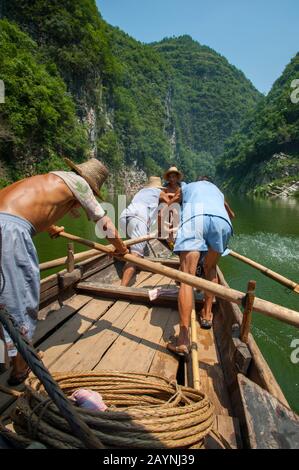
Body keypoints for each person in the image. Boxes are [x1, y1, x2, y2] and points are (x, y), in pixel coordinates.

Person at [0, 158, 128, 385]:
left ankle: (3, 356)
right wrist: (120, 248)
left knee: (3, 300)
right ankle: (20, 367)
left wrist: (50, 227)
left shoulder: (48, 178)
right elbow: (104, 223)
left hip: (6, 221)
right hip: (11, 232)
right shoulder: (80, 185)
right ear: (91, 183)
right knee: (20, 300)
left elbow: (19, 205)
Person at [167, 176, 235, 357]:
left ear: (198, 180)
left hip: (195, 219)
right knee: (210, 268)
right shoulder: (217, 191)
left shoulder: (188, 187)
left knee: (186, 278)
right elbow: (231, 214)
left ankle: (182, 340)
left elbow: (170, 204)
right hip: (223, 223)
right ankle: (206, 315)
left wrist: (169, 226)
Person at [119, 176, 169, 287]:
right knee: (135, 257)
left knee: (131, 249)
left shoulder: (141, 192)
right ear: (159, 187)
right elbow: (170, 203)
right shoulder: (159, 192)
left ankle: (132, 264)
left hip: (124, 217)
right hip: (138, 220)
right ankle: (121, 288)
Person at [161, 166, 186, 249]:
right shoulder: (165, 187)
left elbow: (183, 197)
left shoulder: (183, 186)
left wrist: (171, 196)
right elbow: (162, 197)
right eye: (170, 177)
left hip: (180, 209)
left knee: (175, 211)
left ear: (177, 177)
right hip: (168, 209)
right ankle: (170, 239)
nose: (172, 179)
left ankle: (173, 238)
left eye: (174, 177)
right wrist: (173, 197)